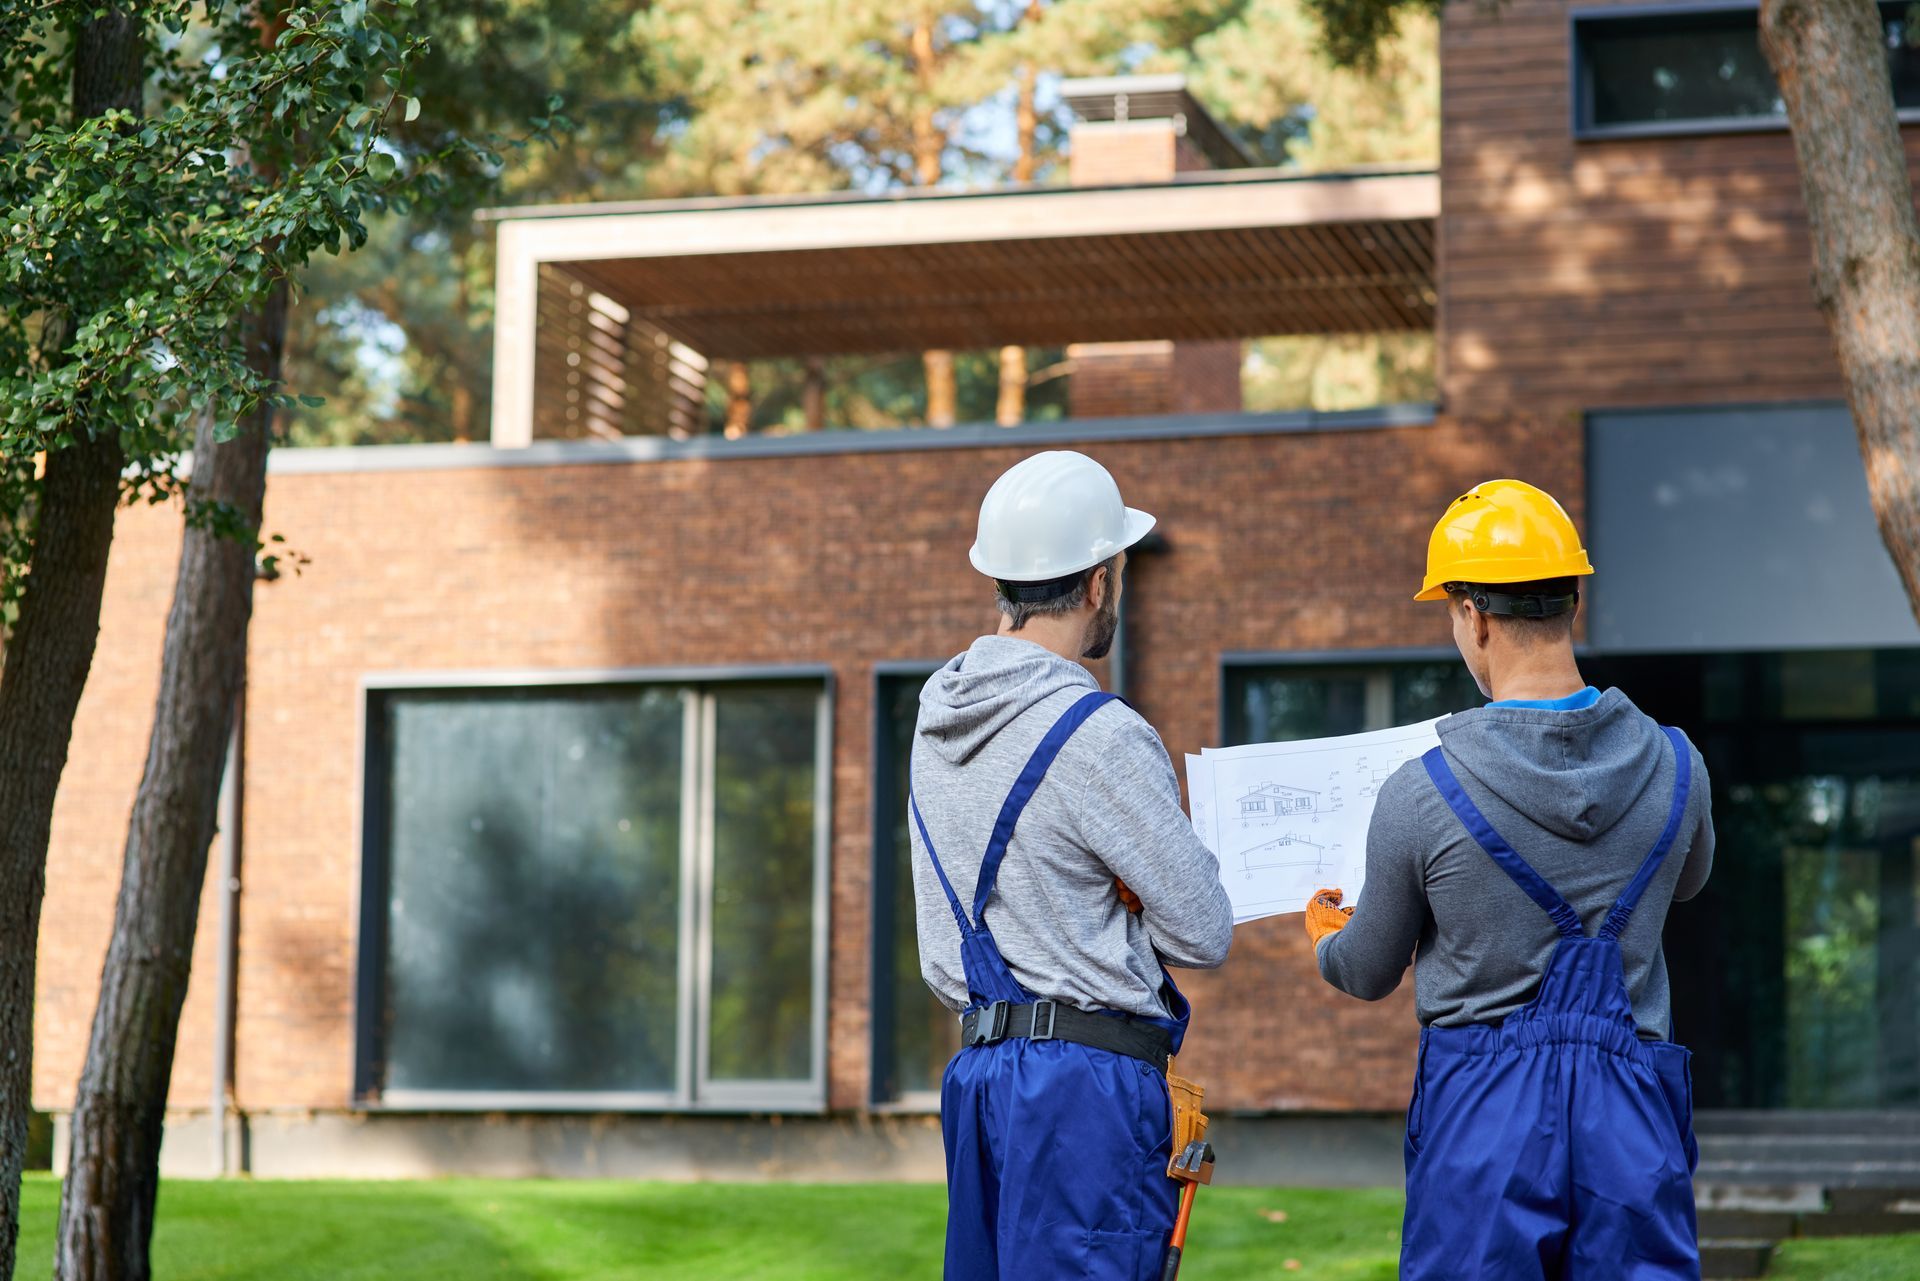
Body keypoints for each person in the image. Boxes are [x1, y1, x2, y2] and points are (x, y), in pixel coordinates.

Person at [1306, 478, 1715, 1280]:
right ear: (1571, 603)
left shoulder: (1421, 791)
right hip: (1632, 1112)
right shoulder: (1678, 764)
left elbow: (1365, 969)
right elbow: (1689, 882)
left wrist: (1326, 937)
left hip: (1482, 1121)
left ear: (1475, 615)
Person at [910, 450, 1234, 1281]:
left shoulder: (936, 720)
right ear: (1098, 582)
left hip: (979, 1077)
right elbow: (1202, 929)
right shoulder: (1100, 732)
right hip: (1084, 1091)